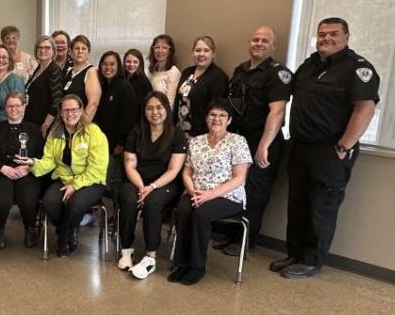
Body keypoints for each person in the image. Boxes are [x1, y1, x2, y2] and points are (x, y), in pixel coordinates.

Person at [273, 17, 379, 279]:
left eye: (333, 34)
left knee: (322, 206)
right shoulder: (310, 65)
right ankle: (294, 253)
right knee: (297, 204)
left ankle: (311, 260)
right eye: (322, 35)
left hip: (331, 150)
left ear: (346, 37)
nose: (326, 39)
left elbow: (365, 109)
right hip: (300, 146)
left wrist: (344, 147)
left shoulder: (357, 69)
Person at [215, 26, 291, 256]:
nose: (258, 44)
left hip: (262, 139)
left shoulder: (278, 73)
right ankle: (232, 236)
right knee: (235, 186)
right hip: (239, 138)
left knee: (256, 191)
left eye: (264, 41)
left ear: (273, 46)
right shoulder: (241, 70)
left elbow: (277, 112)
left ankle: (245, 242)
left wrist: (264, 146)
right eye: (255, 40)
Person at [169, 100, 252, 285]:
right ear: (206, 118)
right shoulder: (196, 141)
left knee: (201, 213)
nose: (217, 119)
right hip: (196, 192)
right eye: (213, 114)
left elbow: (239, 178)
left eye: (222, 115)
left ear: (229, 120)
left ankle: (197, 266)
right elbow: (187, 171)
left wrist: (208, 195)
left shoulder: (238, 141)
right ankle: (182, 264)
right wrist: (191, 190)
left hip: (228, 196)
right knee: (183, 210)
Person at [16, 95, 109, 257]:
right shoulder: (55, 133)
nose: (69, 113)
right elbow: (49, 161)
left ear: (81, 111)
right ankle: (66, 228)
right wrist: (33, 163)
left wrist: (75, 185)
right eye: (65, 110)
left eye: (74, 109)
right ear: (60, 112)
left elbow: (97, 168)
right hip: (64, 178)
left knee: (74, 205)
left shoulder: (93, 132)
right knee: (49, 203)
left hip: (91, 181)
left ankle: (65, 237)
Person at [118, 92, 187, 279]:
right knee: (127, 197)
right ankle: (126, 250)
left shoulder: (177, 135)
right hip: (137, 179)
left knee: (152, 203)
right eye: (149, 108)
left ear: (166, 109)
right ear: (144, 111)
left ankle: (150, 257)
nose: (154, 112)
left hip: (166, 182)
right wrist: (142, 186)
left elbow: (174, 170)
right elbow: (129, 164)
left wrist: (152, 187)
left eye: (159, 107)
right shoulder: (136, 132)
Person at [0, 92, 45, 249]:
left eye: (17, 105)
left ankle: (30, 228)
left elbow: (42, 154)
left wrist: (28, 167)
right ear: (5, 108)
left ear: (24, 107)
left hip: (27, 172)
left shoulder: (35, 130)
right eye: (10, 106)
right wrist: (2, 168)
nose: (14, 109)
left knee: (28, 199)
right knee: (1, 200)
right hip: (2, 173)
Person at [95, 51, 139, 202]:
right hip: (101, 145)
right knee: (102, 181)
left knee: (113, 184)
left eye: (112, 64)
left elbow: (130, 117)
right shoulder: (102, 86)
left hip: (116, 147)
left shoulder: (124, 86)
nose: (108, 67)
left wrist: (121, 143)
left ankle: (114, 216)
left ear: (118, 66)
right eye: (105, 64)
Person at [174, 36, 230, 138]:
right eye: (197, 50)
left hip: (202, 134)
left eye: (206, 50)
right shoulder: (187, 72)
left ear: (213, 54)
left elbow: (217, 110)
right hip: (180, 131)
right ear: (192, 52)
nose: (201, 54)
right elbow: (177, 100)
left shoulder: (218, 77)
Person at [24, 36, 63, 136]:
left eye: (47, 48)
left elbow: (56, 102)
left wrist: (46, 124)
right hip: (31, 120)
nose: (43, 50)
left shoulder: (54, 70)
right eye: (40, 47)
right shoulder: (39, 67)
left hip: (42, 124)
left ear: (53, 51)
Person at [0, 45, 26, 123]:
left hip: (6, 127)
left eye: (4, 57)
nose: (0, 60)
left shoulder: (15, 80)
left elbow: (19, 108)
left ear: (9, 60)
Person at [63, 35, 102, 121]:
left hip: (84, 126)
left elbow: (93, 104)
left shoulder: (92, 72)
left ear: (88, 53)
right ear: (70, 52)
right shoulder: (69, 72)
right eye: (77, 48)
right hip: (69, 123)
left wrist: (81, 126)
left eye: (84, 49)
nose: (80, 51)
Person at [146, 34, 181, 107]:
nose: (160, 51)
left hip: (163, 114)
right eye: (157, 47)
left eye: (164, 47)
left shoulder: (174, 72)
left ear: (170, 51)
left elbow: (170, 102)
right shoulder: (149, 72)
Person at [123, 48, 152, 116]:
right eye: (128, 61)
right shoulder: (123, 79)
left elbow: (143, 108)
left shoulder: (143, 83)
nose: (131, 65)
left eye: (135, 62)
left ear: (140, 64)